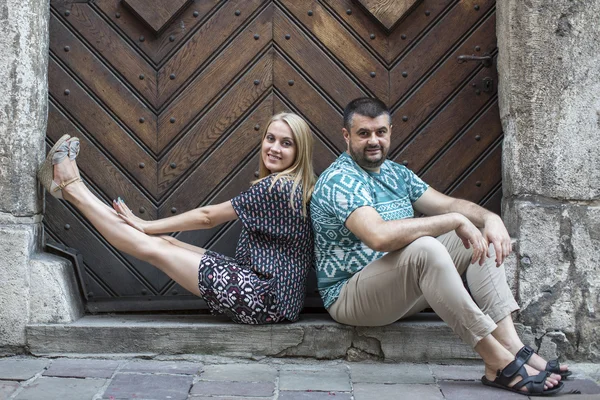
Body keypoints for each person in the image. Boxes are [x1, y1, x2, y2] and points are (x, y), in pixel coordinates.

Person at [310, 98, 570, 396]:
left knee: (476, 237)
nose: (374, 141)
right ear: (346, 135)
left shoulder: (396, 173)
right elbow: (378, 236)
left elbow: (448, 204)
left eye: (380, 132)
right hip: (351, 297)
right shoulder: (339, 180)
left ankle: (513, 346)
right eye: (363, 133)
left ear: (391, 131)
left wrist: (489, 218)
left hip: (399, 291)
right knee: (426, 248)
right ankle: (496, 361)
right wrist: (453, 221)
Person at [38, 113, 316, 325]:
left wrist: (146, 223)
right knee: (166, 243)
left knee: (153, 247)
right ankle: (72, 186)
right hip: (272, 296)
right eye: (270, 139)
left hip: (262, 298)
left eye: (286, 143)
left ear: (299, 151)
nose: (274, 148)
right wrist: (144, 226)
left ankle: (71, 187)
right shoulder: (292, 186)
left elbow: (208, 218)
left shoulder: (278, 188)